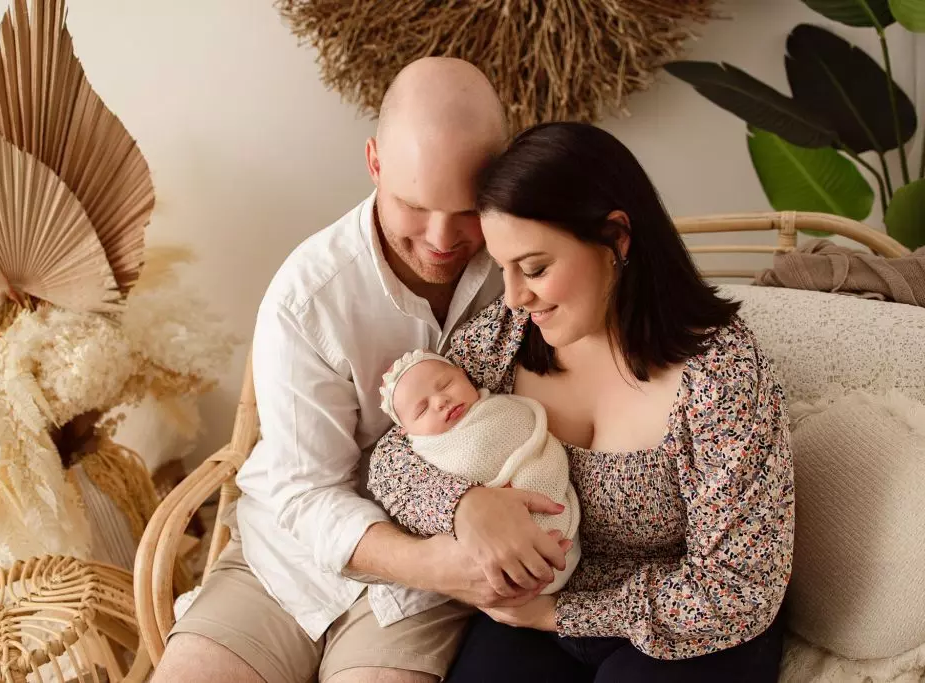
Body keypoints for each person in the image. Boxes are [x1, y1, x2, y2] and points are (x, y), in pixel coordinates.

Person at [152, 58, 572, 683]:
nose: (442, 238)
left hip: (424, 600)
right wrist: (439, 560)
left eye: (465, 209)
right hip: (283, 562)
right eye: (414, 204)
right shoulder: (308, 296)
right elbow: (304, 491)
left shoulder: (526, 269)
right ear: (374, 162)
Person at [369, 122, 795, 682]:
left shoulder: (722, 375)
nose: (516, 296)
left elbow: (741, 588)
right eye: (503, 268)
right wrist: (465, 504)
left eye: (536, 268)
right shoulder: (507, 338)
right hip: (535, 612)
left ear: (617, 238)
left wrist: (555, 613)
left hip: (689, 629)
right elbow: (392, 460)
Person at [379, 348, 581, 593]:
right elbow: (469, 462)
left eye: (446, 384)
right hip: (484, 565)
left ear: (465, 375)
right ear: (406, 433)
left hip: (558, 529)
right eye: (422, 410)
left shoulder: (499, 407)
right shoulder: (425, 450)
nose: (441, 401)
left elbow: (532, 439)